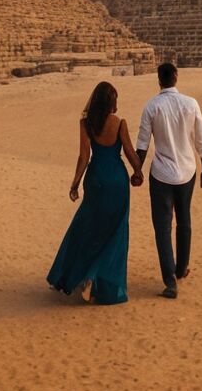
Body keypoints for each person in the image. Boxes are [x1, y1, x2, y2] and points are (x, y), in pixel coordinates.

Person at [47, 81, 143, 305]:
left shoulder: (86, 124)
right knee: (115, 232)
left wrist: (75, 183)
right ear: (112, 102)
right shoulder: (120, 124)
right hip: (117, 182)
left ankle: (74, 274)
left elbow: (83, 157)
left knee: (88, 228)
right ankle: (95, 277)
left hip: (96, 179)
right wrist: (138, 171)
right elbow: (130, 153)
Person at [136, 62, 202, 299]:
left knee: (162, 228)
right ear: (176, 77)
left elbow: (141, 147)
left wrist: (136, 172)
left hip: (161, 174)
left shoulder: (151, 106)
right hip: (187, 171)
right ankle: (182, 268)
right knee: (184, 221)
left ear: (159, 79)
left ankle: (170, 282)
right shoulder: (191, 104)